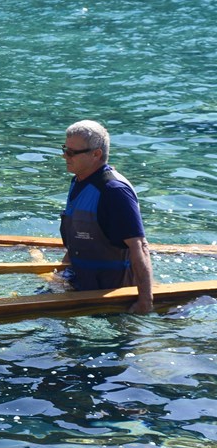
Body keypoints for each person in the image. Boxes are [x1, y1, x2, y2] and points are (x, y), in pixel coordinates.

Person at [57, 119, 154, 314]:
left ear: (96, 154)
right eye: (64, 149)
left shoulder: (114, 191)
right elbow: (80, 235)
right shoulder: (78, 180)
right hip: (80, 281)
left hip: (110, 292)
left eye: (72, 152)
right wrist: (61, 273)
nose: (64, 156)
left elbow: (140, 246)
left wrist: (145, 301)